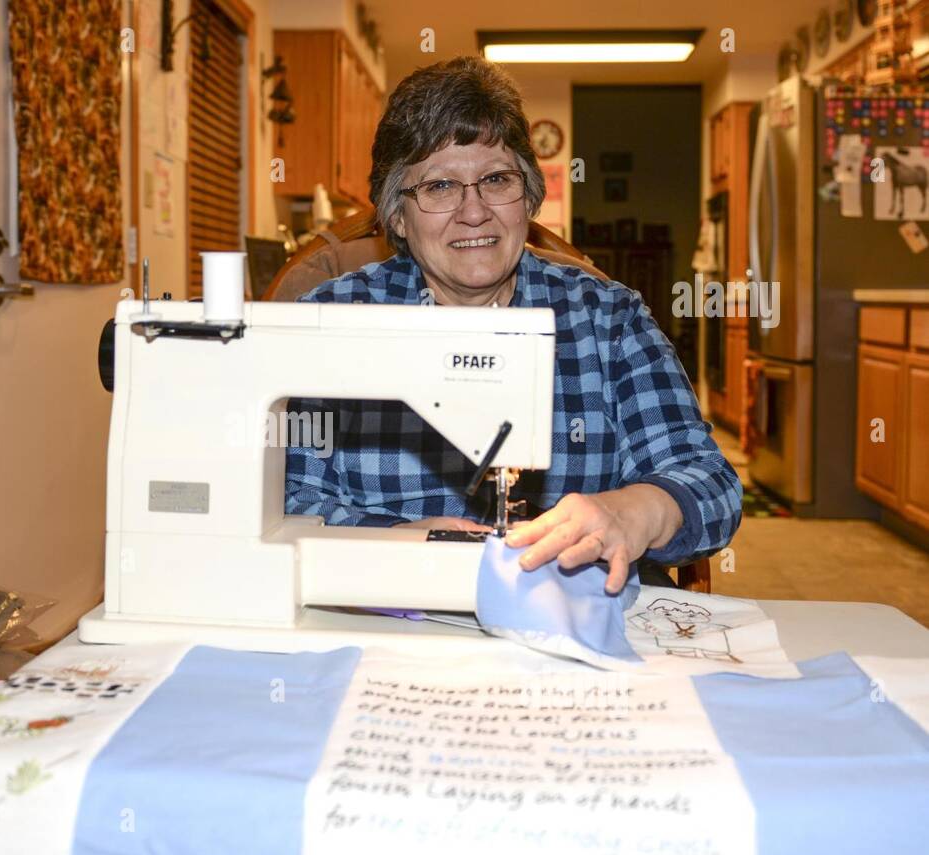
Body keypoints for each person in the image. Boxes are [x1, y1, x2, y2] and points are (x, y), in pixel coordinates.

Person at [285, 57, 742, 593]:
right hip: (383, 609)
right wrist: (390, 541)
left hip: (568, 617)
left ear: (527, 197)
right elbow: (285, 495)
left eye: (496, 179)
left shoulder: (608, 320)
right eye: (438, 187)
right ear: (398, 218)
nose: (473, 211)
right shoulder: (333, 322)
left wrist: (633, 511)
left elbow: (712, 486)